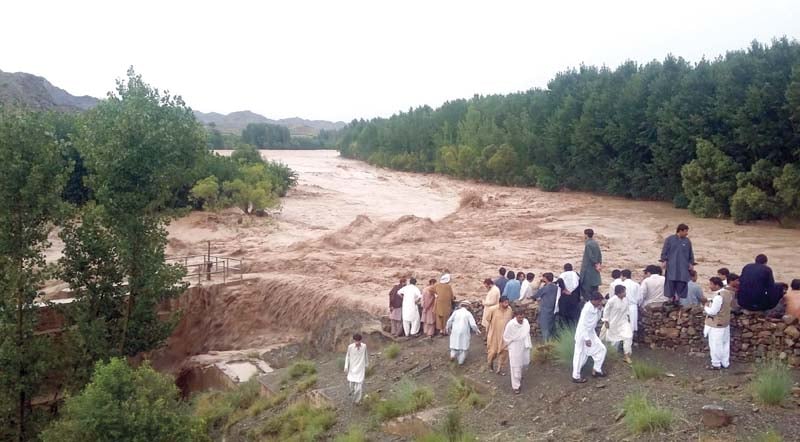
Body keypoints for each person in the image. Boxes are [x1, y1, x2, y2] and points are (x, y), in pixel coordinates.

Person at [572, 291, 606, 383]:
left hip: (591, 332)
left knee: (602, 349)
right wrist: (586, 338)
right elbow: (583, 325)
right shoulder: (587, 309)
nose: (600, 303)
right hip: (583, 334)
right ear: (594, 300)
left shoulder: (595, 307)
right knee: (580, 355)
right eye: (599, 301)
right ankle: (576, 376)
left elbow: (597, 319)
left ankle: (597, 370)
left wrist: (599, 310)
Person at [660, 223, 696, 303]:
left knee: (682, 282)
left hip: (683, 267)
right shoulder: (669, 239)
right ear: (680, 231)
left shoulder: (687, 241)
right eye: (685, 231)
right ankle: (670, 300)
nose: (687, 233)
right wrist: (664, 261)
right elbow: (664, 251)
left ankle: (678, 300)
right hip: (672, 266)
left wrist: (691, 263)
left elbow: (691, 253)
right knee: (670, 282)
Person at [703, 277, 733, 370]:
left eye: (711, 284)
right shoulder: (728, 293)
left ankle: (716, 363)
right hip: (725, 323)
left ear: (716, 285)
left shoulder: (718, 297)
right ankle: (725, 362)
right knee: (724, 343)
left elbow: (713, 312)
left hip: (716, 324)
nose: (710, 286)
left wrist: (705, 307)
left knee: (715, 344)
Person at [503, 308, 532, 394]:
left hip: (524, 345)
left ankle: (519, 376)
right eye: (519, 316)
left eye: (522, 316)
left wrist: (528, 344)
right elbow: (506, 336)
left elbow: (527, 333)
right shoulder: (511, 325)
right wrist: (508, 344)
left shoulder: (526, 322)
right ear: (516, 316)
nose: (521, 318)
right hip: (515, 347)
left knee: (525, 362)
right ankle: (516, 386)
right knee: (515, 366)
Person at [603, 285, 634, 364]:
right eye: (624, 292)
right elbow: (606, 311)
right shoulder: (611, 301)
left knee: (628, 336)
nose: (625, 293)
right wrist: (606, 321)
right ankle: (612, 355)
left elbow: (627, 310)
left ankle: (627, 356)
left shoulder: (625, 300)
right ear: (619, 293)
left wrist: (628, 317)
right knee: (613, 340)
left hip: (624, 322)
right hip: (613, 323)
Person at [484, 296, 514, 375]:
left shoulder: (509, 310)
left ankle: (500, 369)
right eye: (505, 303)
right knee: (492, 352)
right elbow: (488, 320)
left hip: (505, 336)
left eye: (507, 302)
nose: (506, 304)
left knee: (504, 353)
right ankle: (490, 364)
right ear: (500, 303)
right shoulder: (492, 309)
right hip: (494, 334)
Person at [446, 300, 480, 365]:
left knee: (454, 345)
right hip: (464, 331)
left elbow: (449, 321)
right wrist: (477, 330)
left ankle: (452, 355)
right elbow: (473, 324)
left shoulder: (456, 312)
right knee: (463, 348)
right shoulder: (468, 314)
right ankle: (460, 362)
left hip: (455, 330)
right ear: (468, 307)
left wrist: (447, 327)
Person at [531, 272, 558, 341]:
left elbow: (535, 295)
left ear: (545, 278)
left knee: (545, 328)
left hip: (545, 310)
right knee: (551, 328)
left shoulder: (545, 288)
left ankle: (546, 344)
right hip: (553, 310)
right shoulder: (556, 287)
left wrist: (539, 283)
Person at [344, 333, 368, 404]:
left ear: (361, 340)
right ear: (354, 340)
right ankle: (352, 393)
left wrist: (366, 364)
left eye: (359, 341)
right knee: (351, 384)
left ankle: (357, 400)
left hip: (360, 368)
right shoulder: (350, 347)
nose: (357, 342)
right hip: (352, 368)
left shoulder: (364, 346)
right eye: (356, 341)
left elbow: (365, 355)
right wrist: (346, 366)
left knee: (359, 387)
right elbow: (347, 356)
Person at [580, 229, 602, 300]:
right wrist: (598, 264)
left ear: (586, 235)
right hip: (595, 271)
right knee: (595, 289)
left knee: (586, 289)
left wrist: (595, 263)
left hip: (588, 270)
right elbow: (599, 255)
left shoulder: (588, 244)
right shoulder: (595, 243)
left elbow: (590, 256)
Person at [620, 269, 641, 337]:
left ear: (623, 276)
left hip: (623, 306)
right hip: (633, 307)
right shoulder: (636, 284)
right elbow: (640, 297)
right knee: (632, 324)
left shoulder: (621, 284)